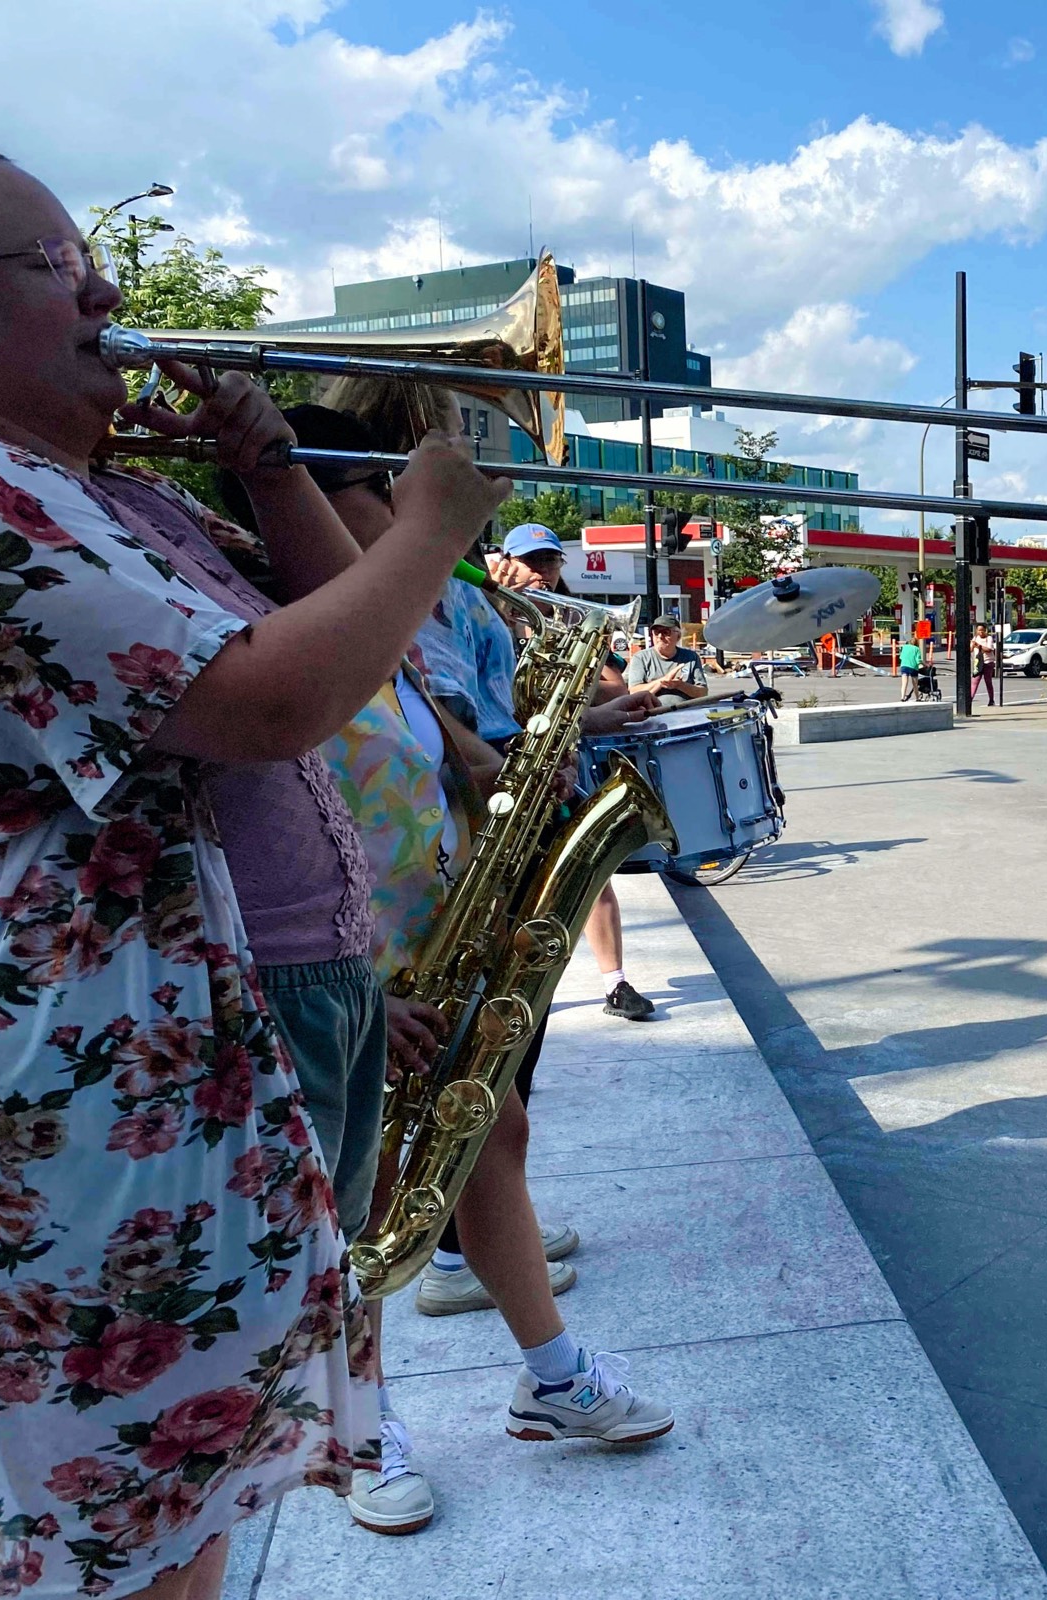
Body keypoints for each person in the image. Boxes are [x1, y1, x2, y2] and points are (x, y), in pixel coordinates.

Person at [0, 148, 500, 1596]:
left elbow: (342, 619)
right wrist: (434, 523)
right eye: (60, 269)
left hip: (173, 1048)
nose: (106, 297)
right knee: (118, 1505)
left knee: (185, 1485)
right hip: (76, 1082)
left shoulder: (88, 490)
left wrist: (266, 457)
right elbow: (271, 699)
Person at [274, 405, 672, 1533]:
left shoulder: (385, 628)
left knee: (492, 1138)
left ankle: (554, 1379)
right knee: (360, 1204)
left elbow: (441, 764)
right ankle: (365, 1427)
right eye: (380, 491)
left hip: (436, 940)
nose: (409, 509)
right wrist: (357, 986)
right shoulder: (277, 630)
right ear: (307, 497)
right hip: (350, 971)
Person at [485, 524, 659, 1022]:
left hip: (552, 763)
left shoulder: (571, 621)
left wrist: (591, 703)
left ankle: (615, 983)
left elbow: (611, 684)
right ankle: (501, 993)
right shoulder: (489, 616)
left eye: (550, 562)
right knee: (504, 891)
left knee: (589, 871)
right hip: (503, 765)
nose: (540, 572)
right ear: (506, 563)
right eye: (530, 561)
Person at [624, 613, 705, 704]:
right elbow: (634, 692)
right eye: (656, 632)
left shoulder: (691, 657)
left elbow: (703, 692)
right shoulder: (640, 658)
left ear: (678, 636)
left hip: (685, 710)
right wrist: (663, 681)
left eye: (666, 632)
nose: (660, 636)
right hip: (653, 710)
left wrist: (680, 685)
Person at [972, 623, 997, 706]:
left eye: (982, 630)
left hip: (988, 662)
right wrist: (972, 645)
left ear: (985, 630)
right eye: (979, 630)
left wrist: (979, 646)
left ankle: (991, 700)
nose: (981, 632)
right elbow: (971, 649)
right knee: (975, 681)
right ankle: (970, 699)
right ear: (976, 631)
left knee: (988, 681)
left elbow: (989, 649)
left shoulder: (989, 638)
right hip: (978, 662)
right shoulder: (975, 638)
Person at [898, 633, 923, 700]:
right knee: (915, 684)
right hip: (913, 667)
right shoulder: (917, 649)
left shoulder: (904, 647)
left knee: (904, 683)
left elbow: (901, 657)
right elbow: (918, 660)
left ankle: (902, 697)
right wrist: (923, 664)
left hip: (904, 666)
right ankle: (917, 698)